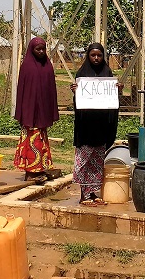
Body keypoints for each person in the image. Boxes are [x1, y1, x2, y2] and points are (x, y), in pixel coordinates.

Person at [71, 43, 120, 207]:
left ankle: (93, 193)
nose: (96, 58)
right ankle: (83, 194)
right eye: (93, 55)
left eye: (99, 55)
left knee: (97, 161)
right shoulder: (82, 75)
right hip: (86, 127)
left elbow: (111, 101)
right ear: (88, 56)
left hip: (101, 126)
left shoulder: (107, 73)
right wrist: (76, 92)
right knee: (84, 160)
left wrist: (117, 90)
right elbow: (78, 104)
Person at [13, 37, 60, 181]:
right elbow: (23, 91)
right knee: (32, 139)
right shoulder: (27, 66)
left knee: (41, 139)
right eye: (37, 49)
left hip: (43, 111)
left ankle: (39, 170)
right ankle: (30, 172)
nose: (40, 52)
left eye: (43, 49)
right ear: (31, 50)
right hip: (30, 111)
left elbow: (51, 90)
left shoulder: (47, 65)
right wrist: (25, 111)